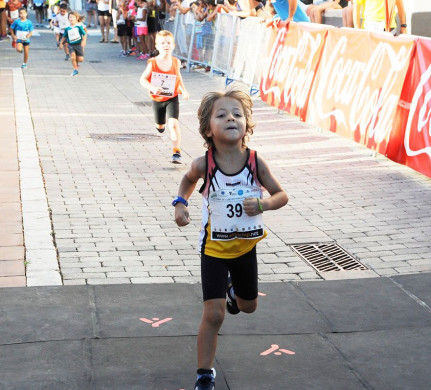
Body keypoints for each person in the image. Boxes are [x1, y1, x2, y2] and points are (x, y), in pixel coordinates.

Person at [173, 89, 289, 390]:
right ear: (207, 128)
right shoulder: (205, 164)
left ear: (246, 125)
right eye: (222, 115)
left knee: (247, 306)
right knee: (213, 314)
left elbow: (281, 195)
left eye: (237, 114)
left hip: (245, 248)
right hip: (213, 249)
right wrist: (180, 204)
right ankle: (204, 374)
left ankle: (234, 291)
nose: (230, 119)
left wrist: (263, 204)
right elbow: (187, 181)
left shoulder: (254, 161)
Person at [139, 30, 189, 163]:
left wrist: (183, 90)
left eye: (168, 43)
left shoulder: (176, 62)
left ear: (173, 45)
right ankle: (160, 126)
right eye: (162, 43)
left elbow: (178, 76)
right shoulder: (153, 62)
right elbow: (143, 79)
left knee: (173, 124)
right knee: (161, 126)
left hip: (172, 97)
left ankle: (176, 152)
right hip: (157, 99)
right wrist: (153, 88)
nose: (166, 45)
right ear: (156, 46)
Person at [59, 10, 87, 75]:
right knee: (72, 57)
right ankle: (75, 69)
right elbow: (64, 36)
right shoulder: (67, 28)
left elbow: (84, 34)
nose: (71, 19)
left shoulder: (78, 27)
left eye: (73, 17)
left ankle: (76, 62)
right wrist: (61, 43)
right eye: (70, 17)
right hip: (71, 45)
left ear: (76, 18)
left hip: (79, 44)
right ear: (68, 19)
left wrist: (84, 41)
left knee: (80, 59)